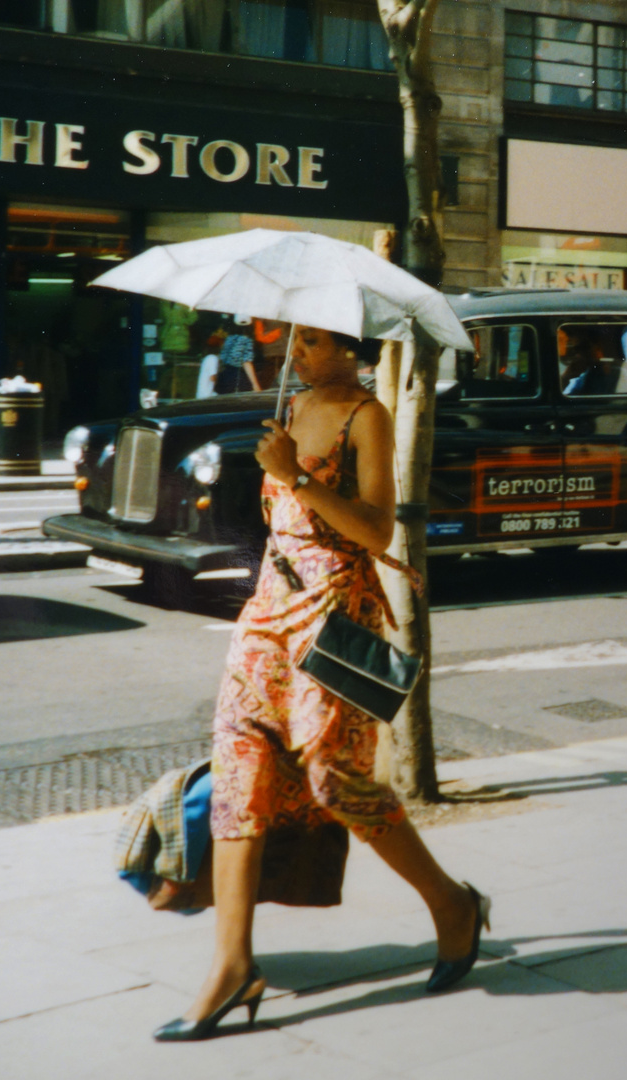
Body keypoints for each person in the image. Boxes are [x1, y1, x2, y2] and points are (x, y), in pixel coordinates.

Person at [153, 325, 488, 1042]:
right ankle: (233, 964)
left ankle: (452, 905)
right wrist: (276, 465)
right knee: (241, 766)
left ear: (350, 351)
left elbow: (375, 533)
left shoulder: (369, 416)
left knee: (336, 778)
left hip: (339, 614)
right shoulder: (294, 406)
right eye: (294, 342)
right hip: (268, 611)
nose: (295, 353)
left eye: (311, 343)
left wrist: (296, 474)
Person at [214, 317, 261, 394]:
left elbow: (222, 357)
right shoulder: (247, 340)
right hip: (239, 377)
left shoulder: (229, 338)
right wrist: (255, 384)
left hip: (225, 375)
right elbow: (246, 362)